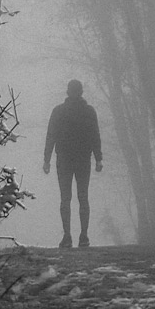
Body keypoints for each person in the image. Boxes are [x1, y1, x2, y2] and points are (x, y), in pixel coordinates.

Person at [43, 78, 102, 248]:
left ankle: (67, 236)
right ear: (81, 92)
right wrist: (98, 158)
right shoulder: (89, 111)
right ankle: (83, 236)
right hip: (83, 159)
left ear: (67, 92)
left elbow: (50, 136)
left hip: (64, 160)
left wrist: (46, 159)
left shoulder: (58, 111)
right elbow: (95, 136)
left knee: (65, 199)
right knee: (83, 197)